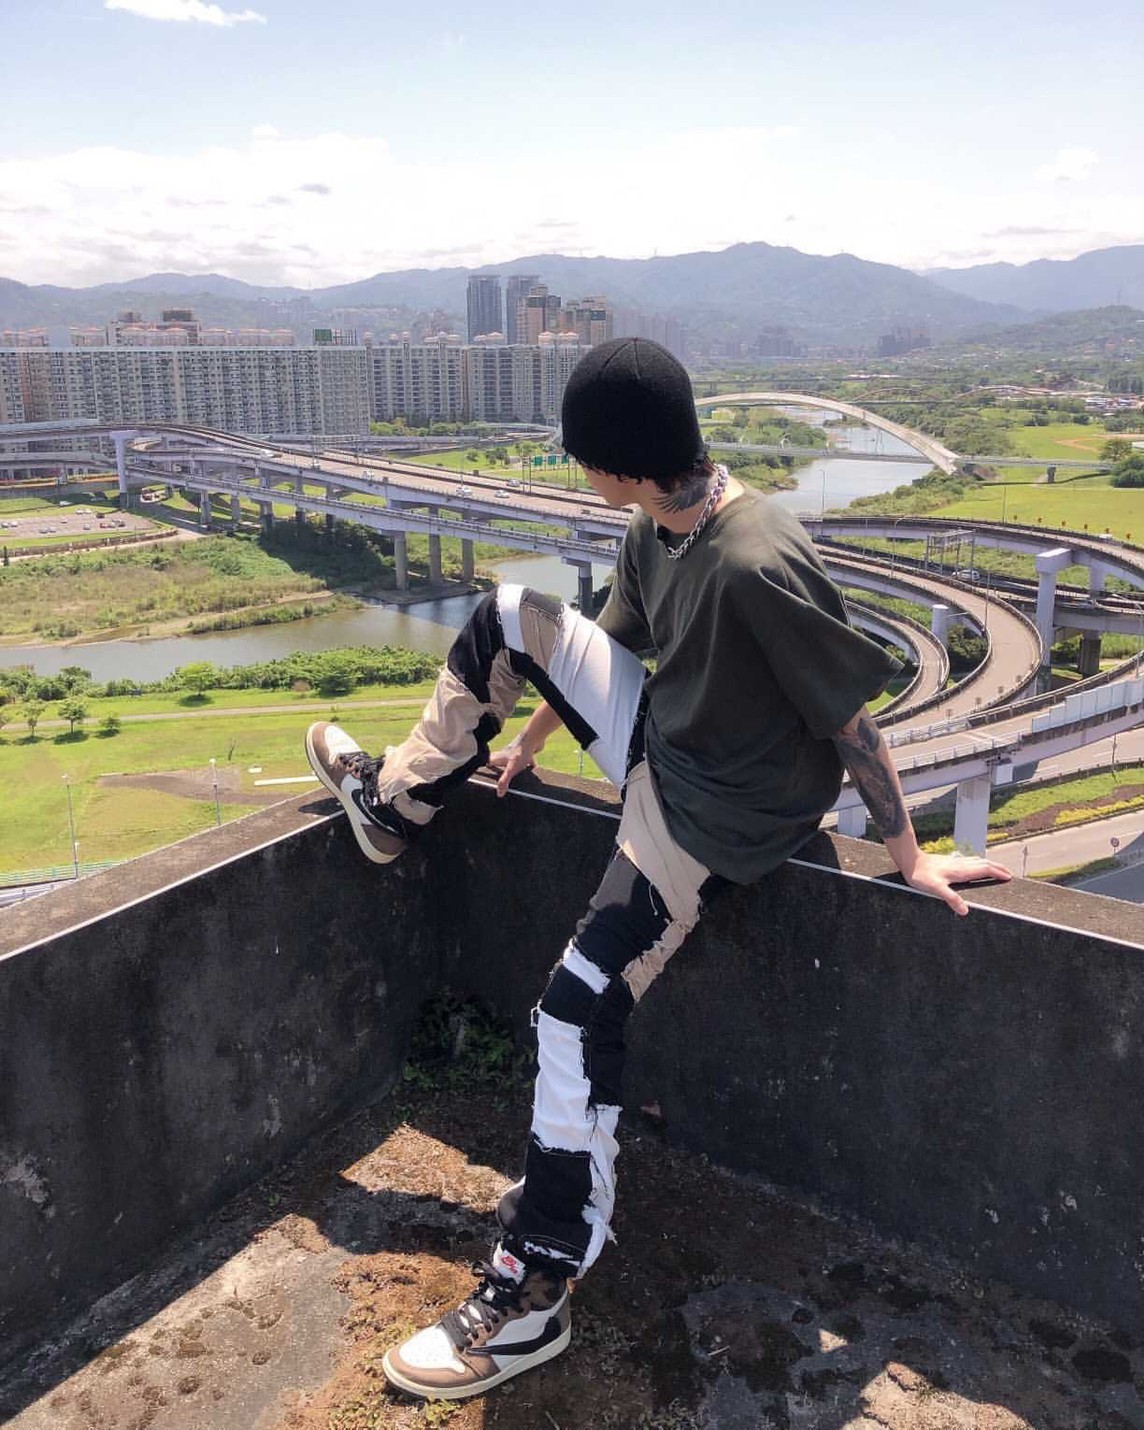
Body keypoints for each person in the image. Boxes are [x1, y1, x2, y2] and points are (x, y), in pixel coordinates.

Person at [304, 337, 1011, 1402]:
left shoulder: (755, 560)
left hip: (716, 812)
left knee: (574, 1011)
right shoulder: (657, 523)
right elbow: (607, 645)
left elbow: (851, 721)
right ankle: (395, 804)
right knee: (508, 614)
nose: (581, 473)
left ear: (617, 465)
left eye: (583, 458)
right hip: (666, 741)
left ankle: (537, 1282)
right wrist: (532, 736)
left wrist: (907, 854)